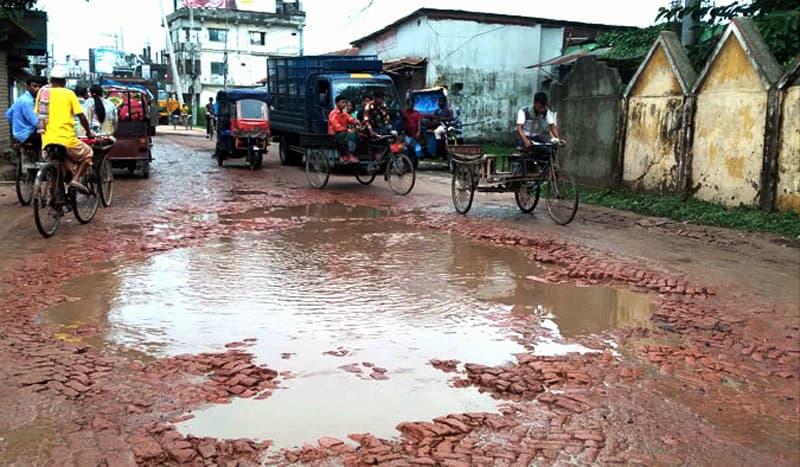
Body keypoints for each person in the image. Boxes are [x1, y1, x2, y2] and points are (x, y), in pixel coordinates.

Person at [35, 65, 95, 193]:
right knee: (88, 153)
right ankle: (76, 180)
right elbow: (82, 117)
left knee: (57, 168)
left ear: (50, 80)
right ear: (64, 81)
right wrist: (89, 132)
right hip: (67, 141)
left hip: (47, 142)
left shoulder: (42, 92)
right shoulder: (69, 93)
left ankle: (55, 200)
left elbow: (38, 114)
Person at [5, 76, 44, 153]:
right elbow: (37, 123)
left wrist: (19, 123)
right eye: (35, 86)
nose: (38, 89)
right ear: (28, 87)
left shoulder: (21, 98)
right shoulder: (28, 101)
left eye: (40, 86)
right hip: (26, 134)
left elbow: (8, 114)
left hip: (19, 134)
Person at [328, 95, 359, 163]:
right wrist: (348, 130)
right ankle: (349, 154)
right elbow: (337, 127)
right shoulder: (333, 114)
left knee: (358, 134)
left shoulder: (344, 113)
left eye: (345, 102)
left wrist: (357, 122)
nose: (344, 104)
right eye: (342, 102)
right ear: (337, 103)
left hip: (343, 132)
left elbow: (351, 119)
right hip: (335, 134)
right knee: (350, 135)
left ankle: (352, 153)